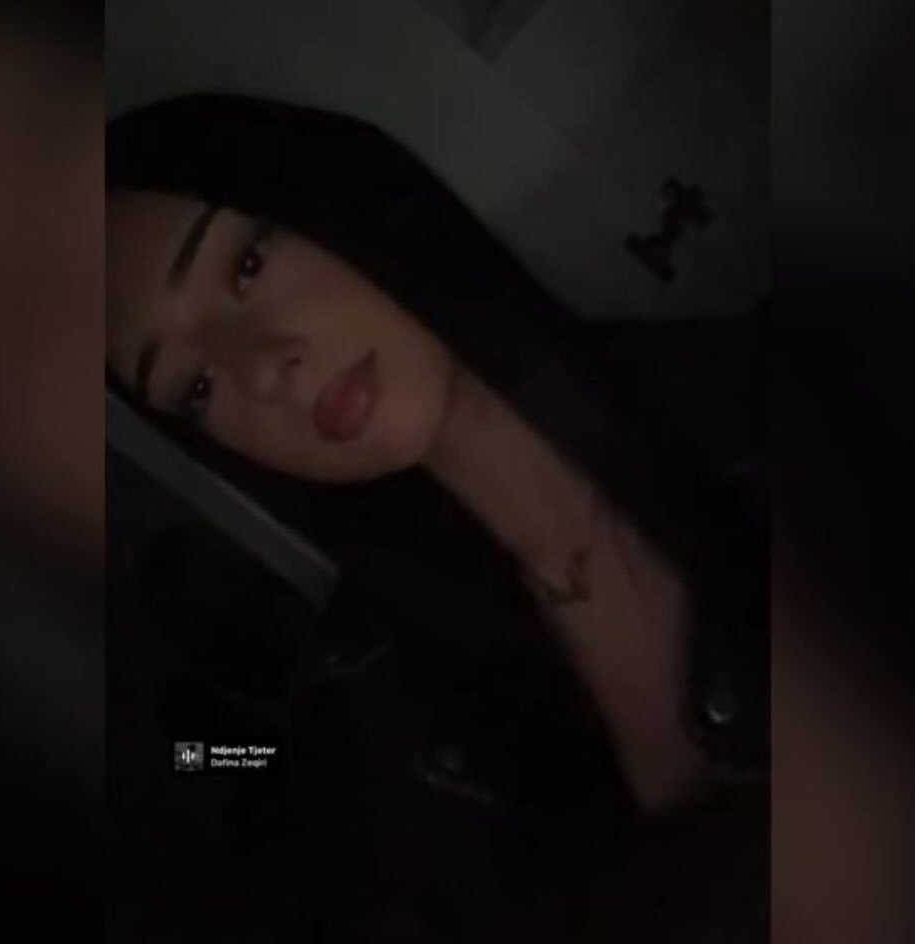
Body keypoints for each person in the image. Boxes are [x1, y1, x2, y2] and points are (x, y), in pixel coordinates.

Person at [106, 92, 767, 819]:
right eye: (195, 387)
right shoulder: (387, 693)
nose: (262, 370)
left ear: (334, 199)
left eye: (249, 264)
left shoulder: (760, 406)